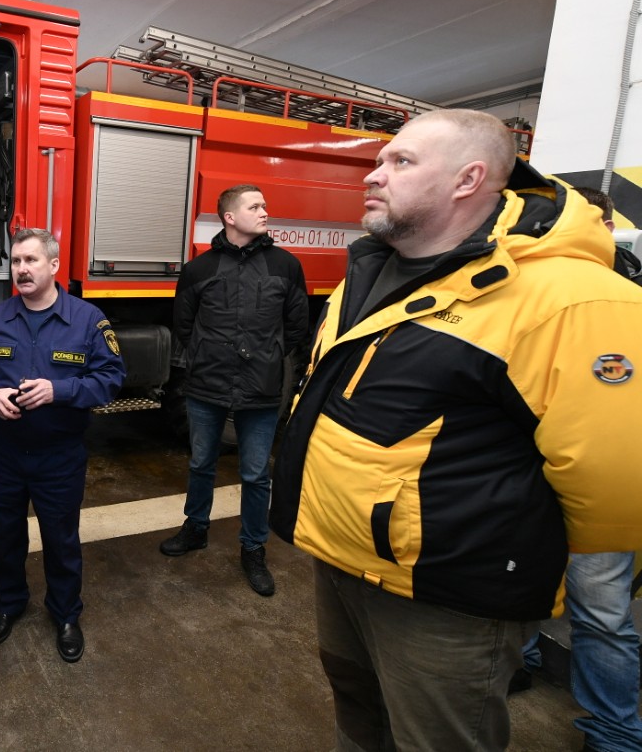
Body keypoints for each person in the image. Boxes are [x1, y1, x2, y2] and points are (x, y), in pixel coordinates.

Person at [268, 109, 642, 751]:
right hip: (340, 561)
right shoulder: (368, 270)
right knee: (359, 716)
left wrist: (511, 562)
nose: (373, 174)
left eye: (400, 162)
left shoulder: (574, 300)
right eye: (381, 159)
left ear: (469, 179)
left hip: (446, 596)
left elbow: (615, 483)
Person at [513, 186, 642, 752]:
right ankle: (527, 662)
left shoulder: (623, 293)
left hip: (596, 482)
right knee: (533, 590)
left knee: (601, 613)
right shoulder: (519, 288)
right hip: (554, 473)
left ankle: (614, 731)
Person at [0, 228, 126, 663]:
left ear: (54, 265)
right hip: (6, 454)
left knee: (61, 538)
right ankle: (10, 603)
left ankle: (66, 614)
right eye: (16, 261)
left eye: (31, 260)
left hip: (60, 455)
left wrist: (60, 391)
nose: (22, 269)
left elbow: (110, 380)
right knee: (6, 535)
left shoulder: (89, 320)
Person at [158, 184, 308, 598]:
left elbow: (297, 327)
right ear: (229, 217)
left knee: (257, 474)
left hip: (261, 389)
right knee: (201, 463)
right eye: (255, 205)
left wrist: (269, 357)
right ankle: (195, 528)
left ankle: (253, 548)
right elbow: (183, 327)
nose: (265, 211)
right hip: (207, 386)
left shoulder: (286, 266)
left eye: (264, 203)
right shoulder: (199, 270)